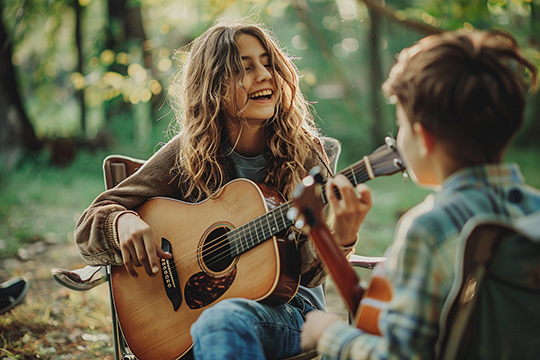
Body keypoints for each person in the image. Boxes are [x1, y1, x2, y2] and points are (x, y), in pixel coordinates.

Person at [74, 19, 372, 360]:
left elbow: (309, 273)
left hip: (290, 312)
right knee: (214, 323)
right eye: (245, 68)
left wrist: (342, 235)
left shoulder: (306, 156)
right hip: (191, 317)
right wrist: (121, 223)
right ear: (213, 86)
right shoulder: (188, 153)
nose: (264, 75)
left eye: (268, 63)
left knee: (221, 321)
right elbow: (89, 224)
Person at [300, 29, 540, 359]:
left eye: (400, 123)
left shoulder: (428, 230)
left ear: (423, 138)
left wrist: (328, 332)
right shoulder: (535, 211)